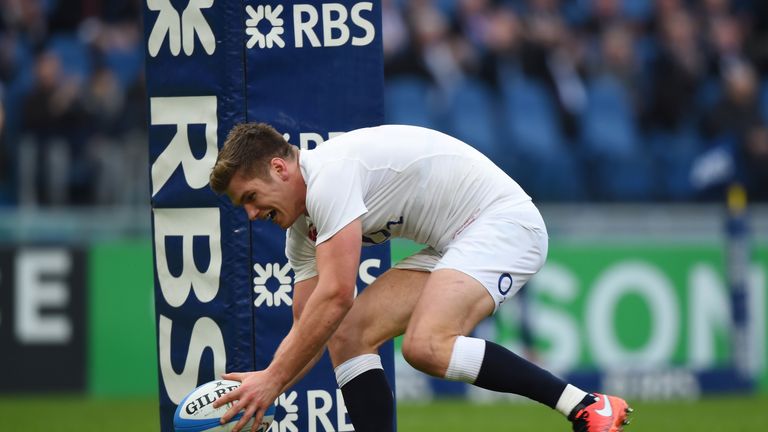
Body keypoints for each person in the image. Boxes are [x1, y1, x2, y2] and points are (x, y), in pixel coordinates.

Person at [209, 123, 632, 432]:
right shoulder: (301, 232)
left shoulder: (329, 176)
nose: (250, 214)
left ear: (281, 169)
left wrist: (271, 381)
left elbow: (336, 295)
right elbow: (312, 329)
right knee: (348, 334)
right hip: (457, 239)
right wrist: (263, 391)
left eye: (250, 197)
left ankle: (587, 406)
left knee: (426, 345)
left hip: (503, 223)